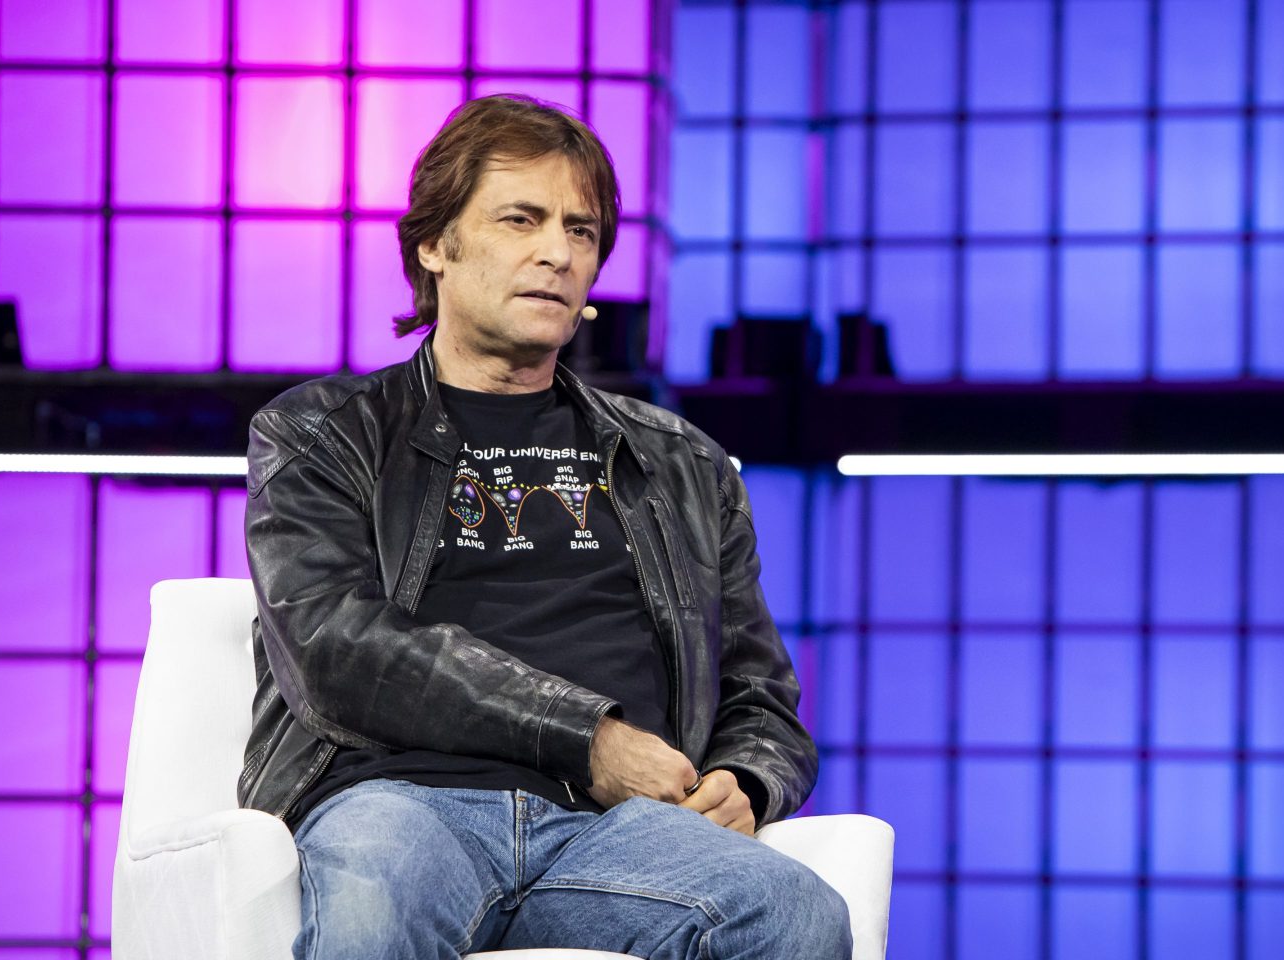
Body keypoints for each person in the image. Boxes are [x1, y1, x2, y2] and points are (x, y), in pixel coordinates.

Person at [237, 94, 851, 960]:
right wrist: (587, 736)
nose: (557, 252)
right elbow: (337, 645)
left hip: (616, 831)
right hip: (403, 805)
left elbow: (761, 697)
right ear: (434, 244)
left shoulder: (685, 463)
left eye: (582, 230)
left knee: (793, 912)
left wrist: (745, 777)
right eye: (520, 219)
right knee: (375, 906)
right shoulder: (322, 432)